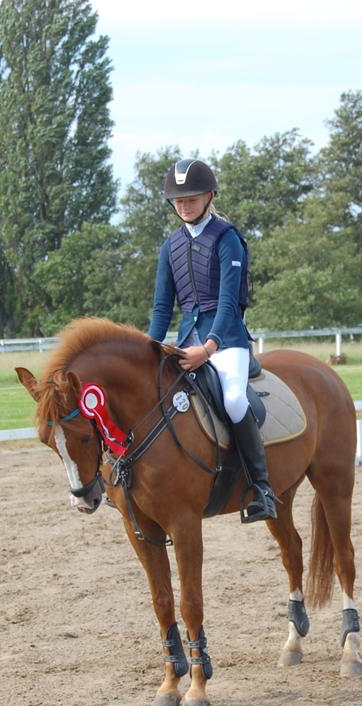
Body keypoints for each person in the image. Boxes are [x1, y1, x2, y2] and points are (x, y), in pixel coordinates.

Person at [147, 158, 276, 523]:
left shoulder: (226, 238)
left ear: (208, 196)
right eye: (179, 200)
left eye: (191, 198)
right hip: (186, 338)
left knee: (234, 399)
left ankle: (261, 488)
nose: (184, 206)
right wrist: (148, 348)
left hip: (227, 340)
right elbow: (161, 307)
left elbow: (228, 301)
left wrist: (209, 348)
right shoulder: (170, 246)